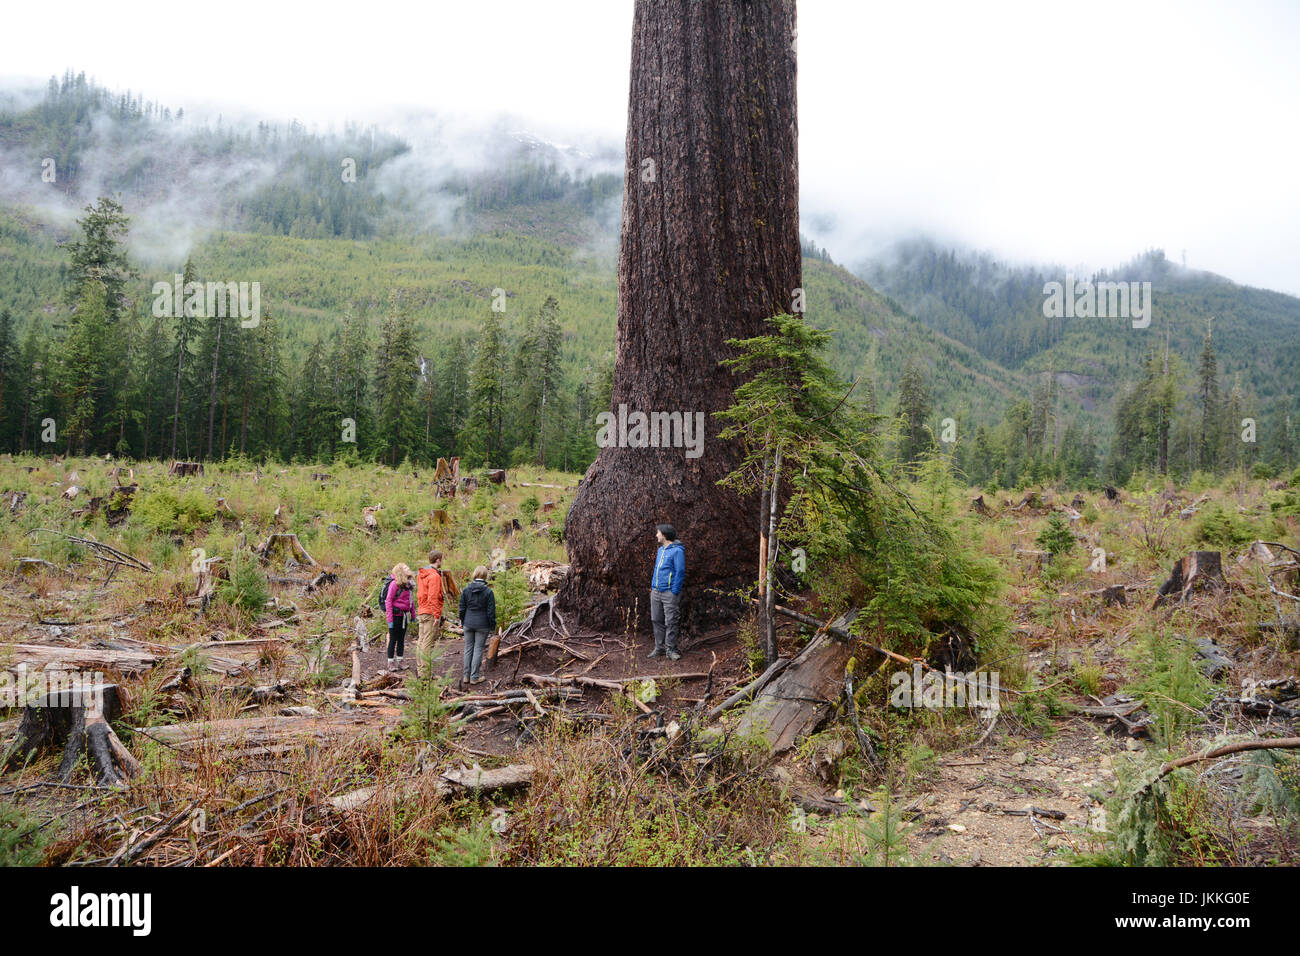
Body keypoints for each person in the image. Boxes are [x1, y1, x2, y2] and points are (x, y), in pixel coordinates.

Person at [649, 523, 685, 660]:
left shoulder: (677, 551)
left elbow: (680, 572)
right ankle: (659, 648)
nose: (656, 535)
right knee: (656, 619)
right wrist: (653, 586)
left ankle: (671, 649)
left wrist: (674, 590)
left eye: (658, 533)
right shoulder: (660, 550)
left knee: (671, 621)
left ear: (664, 535)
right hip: (656, 591)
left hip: (669, 592)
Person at [458, 565, 496, 685]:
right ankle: (474, 677)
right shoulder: (488, 591)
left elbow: (462, 608)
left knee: (468, 649)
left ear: (475, 574)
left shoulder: (466, 590)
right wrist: (492, 626)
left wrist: (463, 621)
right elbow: (491, 612)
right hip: (482, 624)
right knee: (478, 649)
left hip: (468, 623)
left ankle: (466, 676)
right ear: (485, 576)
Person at [414, 549, 446, 679]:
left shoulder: (422, 574)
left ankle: (421, 671)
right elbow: (433, 597)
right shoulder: (434, 576)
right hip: (429, 612)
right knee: (427, 642)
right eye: (442, 559)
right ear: (438, 560)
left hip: (422, 610)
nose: (442, 561)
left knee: (421, 641)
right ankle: (426, 674)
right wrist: (437, 615)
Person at [385, 563, 415, 671]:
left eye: (408, 567)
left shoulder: (409, 584)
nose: (408, 569)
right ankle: (390, 662)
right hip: (395, 615)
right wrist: (390, 620)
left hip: (404, 616)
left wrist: (413, 614)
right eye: (405, 568)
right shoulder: (394, 584)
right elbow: (388, 601)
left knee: (402, 639)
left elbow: (411, 600)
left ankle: (400, 660)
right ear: (400, 571)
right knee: (393, 639)